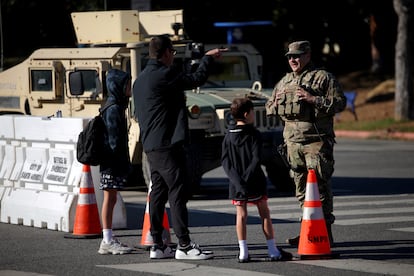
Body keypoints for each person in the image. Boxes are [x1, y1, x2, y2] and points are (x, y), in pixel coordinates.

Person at [133, 34, 227, 260]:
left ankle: (158, 244)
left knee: (158, 192)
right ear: (165, 53)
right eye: (173, 53)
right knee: (178, 191)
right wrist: (206, 58)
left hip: (152, 144)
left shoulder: (141, 79)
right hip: (166, 144)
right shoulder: (165, 74)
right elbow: (196, 79)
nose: (173, 57)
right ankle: (183, 245)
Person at [265, 41, 346, 247]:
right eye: (290, 56)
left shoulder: (323, 78)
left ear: (308, 55)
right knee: (302, 191)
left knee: (320, 188)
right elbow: (269, 108)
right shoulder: (284, 82)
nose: (293, 60)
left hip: (316, 142)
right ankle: (307, 231)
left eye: (297, 55)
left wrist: (313, 99)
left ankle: (325, 232)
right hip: (292, 144)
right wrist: (275, 103)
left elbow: (340, 103)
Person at [221, 97, 293, 263]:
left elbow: (225, 162)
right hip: (255, 181)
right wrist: (247, 179)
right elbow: (256, 159)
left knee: (241, 215)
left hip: (236, 183)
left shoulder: (228, 136)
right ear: (247, 114)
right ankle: (273, 250)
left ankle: (243, 252)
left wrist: (238, 181)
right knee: (264, 213)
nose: (254, 114)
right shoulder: (255, 134)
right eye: (252, 112)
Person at [97, 69, 133, 255]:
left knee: (110, 198)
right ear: (118, 86)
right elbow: (114, 141)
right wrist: (119, 162)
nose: (130, 87)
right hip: (111, 162)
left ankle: (108, 238)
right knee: (109, 199)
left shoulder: (115, 105)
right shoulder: (114, 109)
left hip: (110, 162)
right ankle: (107, 240)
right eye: (127, 84)